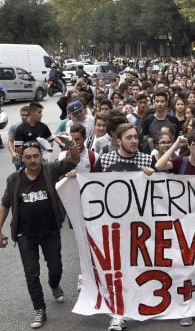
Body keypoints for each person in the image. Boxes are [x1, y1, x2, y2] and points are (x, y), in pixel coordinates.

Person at [0, 140, 80, 329]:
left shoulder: (50, 170)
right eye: (28, 157)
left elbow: (73, 161)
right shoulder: (14, 180)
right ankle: (39, 309)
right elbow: (5, 204)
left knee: (56, 268)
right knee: (31, 273)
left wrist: (74, 150)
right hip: (25, 235)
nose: (33, 160)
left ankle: (54, 285)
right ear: (21, 159)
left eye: (36, 156)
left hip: (50, 231)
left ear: (41, 156)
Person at [92, 123, 154, 331]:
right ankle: (119, 314)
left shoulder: (147, 159)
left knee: (140, 267)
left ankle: (142, 303)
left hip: (141, 226)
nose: (134, 141)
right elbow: (92, 188)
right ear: (118, 140)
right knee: (119, 271)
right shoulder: (106, 160)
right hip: (114, 227)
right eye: (129, 137)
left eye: (136, 137)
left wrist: (152, 175)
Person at [8, 106, 30, 170]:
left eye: (27, 115)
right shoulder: (14, 127)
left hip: (33, 157)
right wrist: (12, 153)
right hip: (18, 158)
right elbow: (10, 141)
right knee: (19, 177)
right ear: (20, 114)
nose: (25, 117)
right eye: (23, 115)